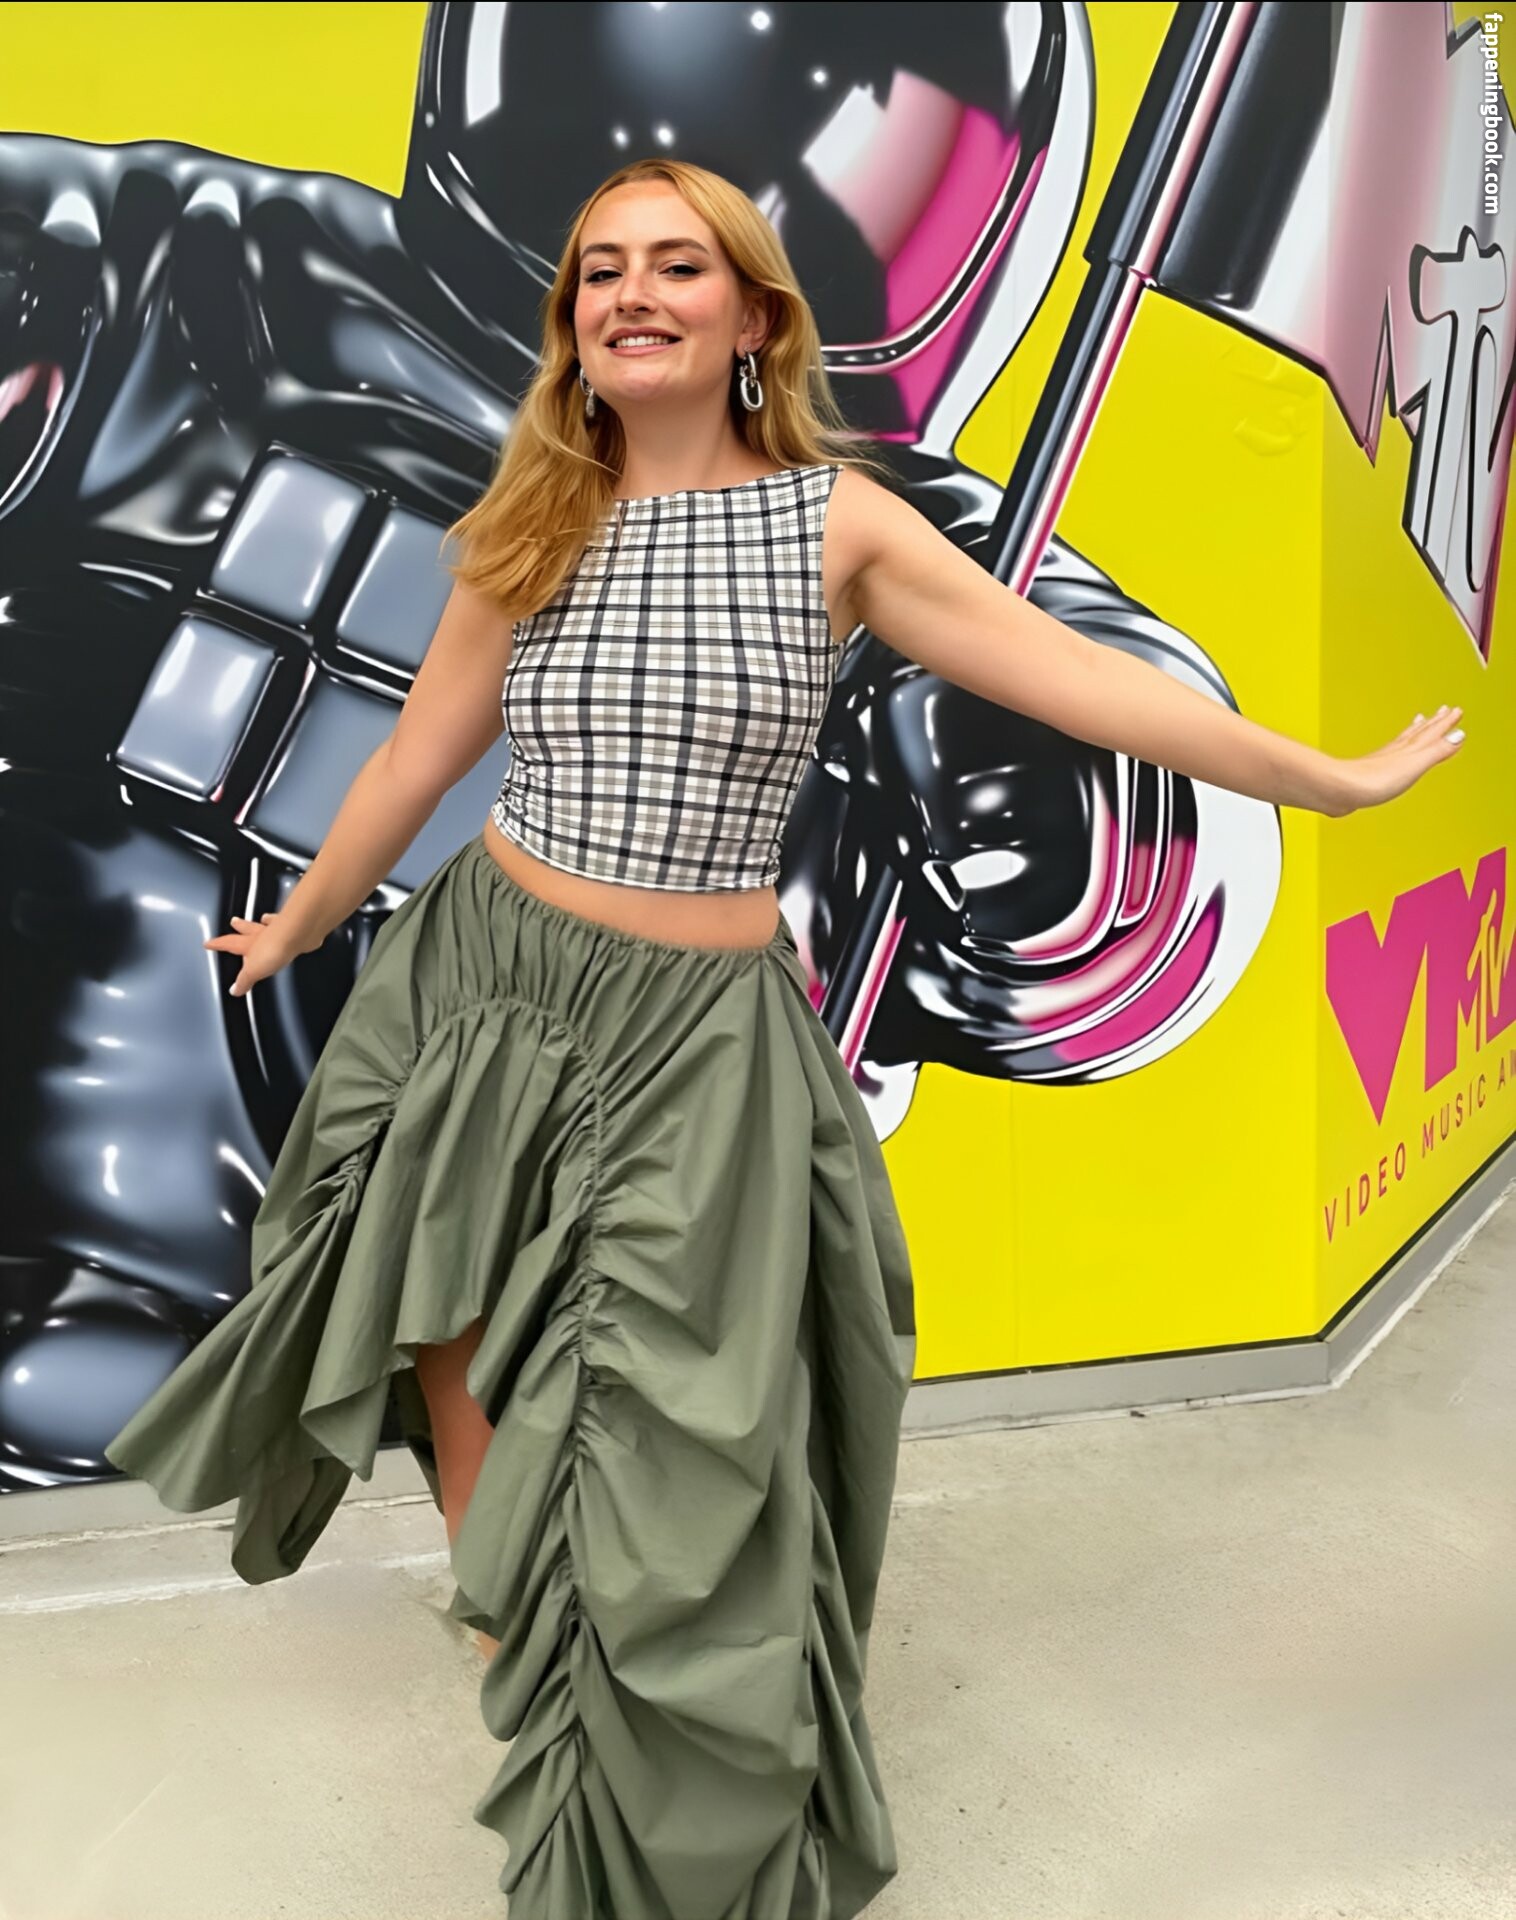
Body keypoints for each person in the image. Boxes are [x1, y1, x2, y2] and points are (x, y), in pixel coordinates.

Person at [103, 156, 1466, 1920]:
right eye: (602, 268)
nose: (633, 294)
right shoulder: (531, 518)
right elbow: (417, 758)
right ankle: (531, 1674)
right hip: (488, 990)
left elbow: (1081, 680)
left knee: (675, 1434)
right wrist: (300, 919)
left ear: (754, 313)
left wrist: (1318, 777)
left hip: (693, 1040)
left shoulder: (839, 527)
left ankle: (663, 1781)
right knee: (461, 1343)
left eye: (678, 265)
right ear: (572, 318)